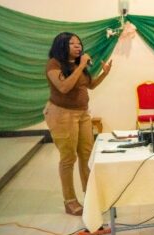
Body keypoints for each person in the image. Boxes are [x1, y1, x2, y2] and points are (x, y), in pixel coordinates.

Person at [45, 32, 112, 215]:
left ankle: (90, 195)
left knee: (87, 154)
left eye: (79, 43)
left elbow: (90, 85)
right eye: (72, 44)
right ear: (61, 46)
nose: (78, 46)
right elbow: (64, 87)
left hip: (82, 114)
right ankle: (70, 201)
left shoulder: (78, 65)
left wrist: (104, 74)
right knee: (68, 158)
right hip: (61, 114)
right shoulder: (54, 64)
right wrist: (81, 64)